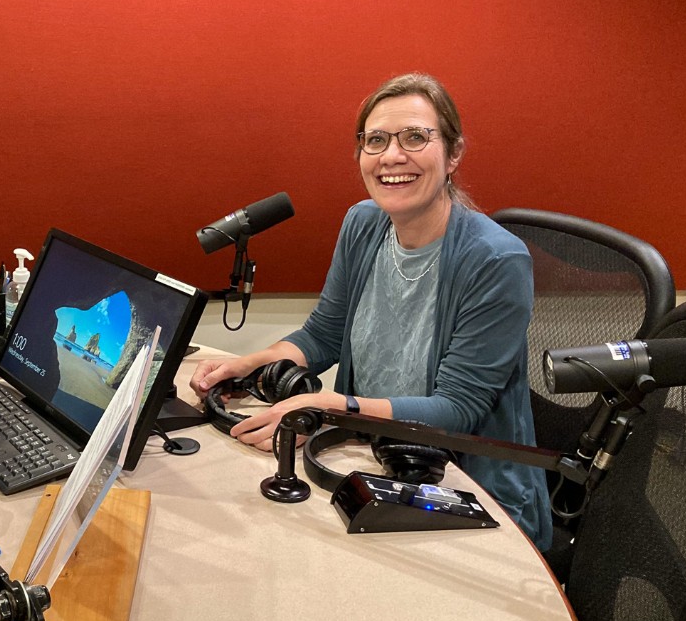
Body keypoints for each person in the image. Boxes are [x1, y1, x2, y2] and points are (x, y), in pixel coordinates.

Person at [190, 73, 552, 550]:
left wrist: (330, 405)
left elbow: (459, 409)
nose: (392, 156)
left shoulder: (496, 261)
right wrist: (249, 363)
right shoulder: (363, 223)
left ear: (454, 153)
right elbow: (324, 333)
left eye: (415, 137)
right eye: (375, 140)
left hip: (464, 487)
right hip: (370, 455)